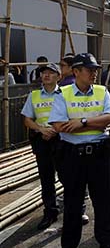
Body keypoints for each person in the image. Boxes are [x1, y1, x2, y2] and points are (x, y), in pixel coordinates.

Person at [48, 53, 110, 248]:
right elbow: (59, 126)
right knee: (72, 203)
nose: (94, 73)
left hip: (99, 155)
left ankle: (106, 241)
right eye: (89, 70)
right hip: (73, 157)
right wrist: (95, 124)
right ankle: (68, 247)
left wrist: (81, 122)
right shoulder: (63, 93)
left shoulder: (102, 91)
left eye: (95, 69)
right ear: (76, 71)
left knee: (103, 200)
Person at [21, 63, 63, 230]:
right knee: (46, 178)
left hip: (61, 139)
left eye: (50, 72)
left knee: (68, 176)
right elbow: (27, 119)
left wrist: (56, 129)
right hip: (42, 140)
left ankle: (75, 209)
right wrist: (41, 129)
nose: (46, 75)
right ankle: (50, 211)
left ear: (58, 76)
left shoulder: (65, 94)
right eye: (43, 72)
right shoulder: (34, 95)